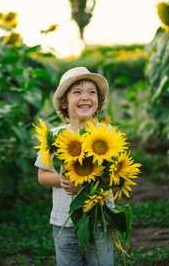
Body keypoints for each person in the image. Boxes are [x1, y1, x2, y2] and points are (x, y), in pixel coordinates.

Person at [34, 66, 114, 266]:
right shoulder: (54, 136)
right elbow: (42, 175)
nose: (85, 97)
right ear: (64, 102)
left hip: (100, 219)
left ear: (98, 102)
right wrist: (61, 180)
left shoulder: (106, 134)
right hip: (65, 221)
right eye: (77, 92)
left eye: (92, 92)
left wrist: (87, 185)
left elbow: (115, 176)